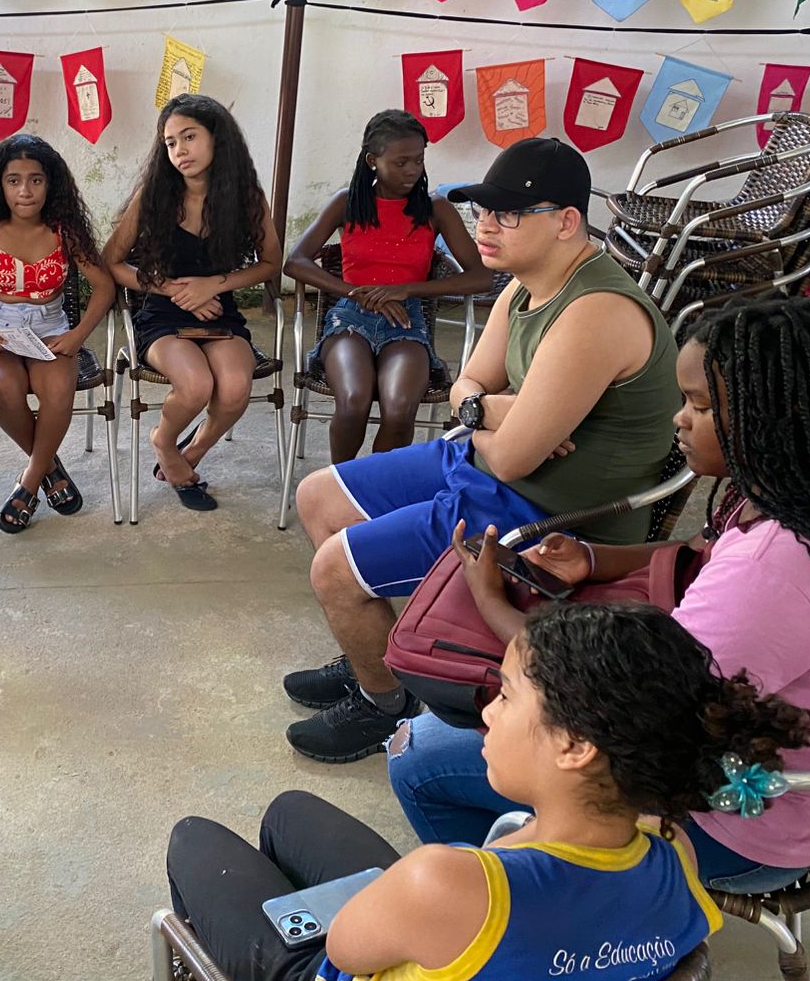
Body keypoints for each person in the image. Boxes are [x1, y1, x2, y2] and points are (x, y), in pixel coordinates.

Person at [389, 296, 810, 894]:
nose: (679, 419)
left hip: (733, 826)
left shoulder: (777, 568)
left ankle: (536, 910)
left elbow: (617, 699)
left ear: (771, 417)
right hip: (765, 781)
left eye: (698, 404)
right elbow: (704, 547)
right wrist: (592, 558)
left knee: (419, 753)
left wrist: (492, 602)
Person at [167, 601, 810, 981]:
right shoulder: (671, 854)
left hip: (363, 953)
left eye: (507, 696)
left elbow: (342, 952)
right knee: (288, 814)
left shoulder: (447, 882)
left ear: (574, 746)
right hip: (460, 926)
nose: (487, 714)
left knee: (194, 838)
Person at [283, 137, 679, 763]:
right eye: (483, 211)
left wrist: (487, 419)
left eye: (508, 213)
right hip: (485, 468)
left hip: (547, 513)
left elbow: (515, 459)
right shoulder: (527, 284)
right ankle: (375, 657)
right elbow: (467, 385)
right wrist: (497, 409)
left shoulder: (595, 311)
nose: (487, 226)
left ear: (566, 222)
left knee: (334, 568)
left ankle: (384, 707)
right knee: (319, 494)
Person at [102, 94, 280, 511]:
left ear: (217, 139)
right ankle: (163, 440)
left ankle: (191, 454)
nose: (179, 150)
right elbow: (112, 261)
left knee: (235, 388)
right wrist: (174, 290)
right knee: (197, 385)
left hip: (221, 314)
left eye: (189, 137)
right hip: (163, 316)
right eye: (169, 142)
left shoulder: (247, 197)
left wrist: (213, 284)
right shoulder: (153, 195)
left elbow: (272, 263)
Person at [284, 110, 491, 462]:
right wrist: (353, 291)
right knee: (353, 400)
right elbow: (295, 261)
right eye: (401, 162)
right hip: (350, 317)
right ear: (372, 161)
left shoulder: (435, 208)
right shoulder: (347, 202)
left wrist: (408, 289)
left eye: (419, 160)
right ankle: (342, 486)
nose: (413, 170)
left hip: (406, 321)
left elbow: (481, 277)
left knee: (399, 409)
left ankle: (373, 492)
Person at [0, 134, 116, 533]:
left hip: (51, 329)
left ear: (50, 183)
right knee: (2, 382)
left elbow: (104, 286)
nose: (25, 190)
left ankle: (30, 481)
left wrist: (78, 336)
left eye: (36, 179)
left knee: (57, 390)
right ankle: (49, 468)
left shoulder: (63, 229)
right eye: (14, 179)